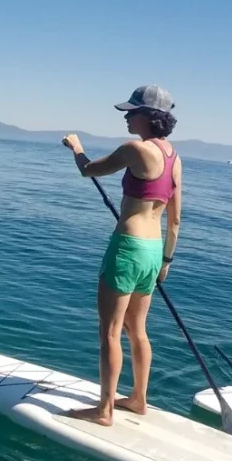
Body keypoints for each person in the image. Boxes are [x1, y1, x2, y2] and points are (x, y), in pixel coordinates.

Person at [60, 85, 183, 426]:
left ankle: (104, 410)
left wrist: (77, 148)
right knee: (137, 330)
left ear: (150, 116)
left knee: (110, 331)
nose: (127, 117)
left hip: (127, 248)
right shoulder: (174, 158)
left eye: (132, 112)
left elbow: (89, 169)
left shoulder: (135, 150)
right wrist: (167, 263)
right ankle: (139, 399)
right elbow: (175, 220)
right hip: (154, 252)